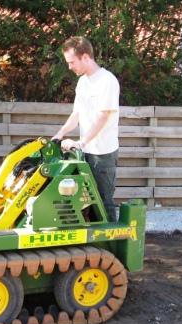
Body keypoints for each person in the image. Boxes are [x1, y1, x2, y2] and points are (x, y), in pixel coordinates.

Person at [52, 36, 120, 222]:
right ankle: (92, 249)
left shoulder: (107, 81)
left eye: (72, 62)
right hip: (85, 152)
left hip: (103, 154)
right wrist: (60, 134)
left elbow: (103, 116)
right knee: (85, 203)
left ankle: (113, 249)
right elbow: (77, 114)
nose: (69, 66)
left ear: (85, 57)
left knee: (104, 202)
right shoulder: (83, 82)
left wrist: (81, 142)